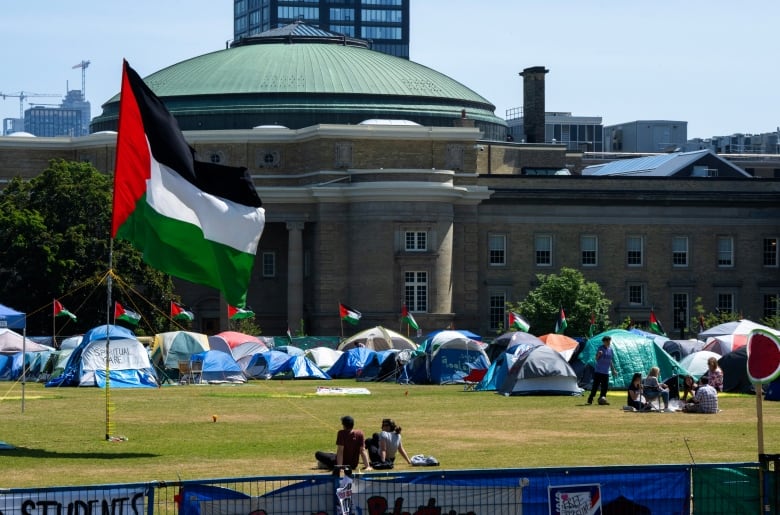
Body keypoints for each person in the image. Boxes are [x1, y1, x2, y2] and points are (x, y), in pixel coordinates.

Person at [588, 335, 617, 405]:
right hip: (598, 371)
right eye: (607, 341)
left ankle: (602, 399)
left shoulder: (610, 349)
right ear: (604, 342)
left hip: (605, 372)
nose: (608, 342)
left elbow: (610, 360)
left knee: (605, 387)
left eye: (609, 341)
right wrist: (598, 354)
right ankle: (590, 398)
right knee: (595, 386)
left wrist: (613, 370)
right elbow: (596, 359)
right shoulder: (600, 348)